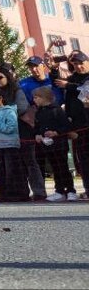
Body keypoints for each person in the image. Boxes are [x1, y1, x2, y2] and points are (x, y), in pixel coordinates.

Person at [0, 68, 47, 200]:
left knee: (30, 162)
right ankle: (19, 192)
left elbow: (22, 107)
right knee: (15, 163)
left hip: (23, 131)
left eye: (0, 77)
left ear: (7, 77)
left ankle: (39, 191)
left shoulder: (17, 91)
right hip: (6, 133)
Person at [32, 86, 75, 201]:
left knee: (63, 167)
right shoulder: (39, 112)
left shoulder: (57, 110)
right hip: (47, 145)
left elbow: (66, 125)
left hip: (60, 144)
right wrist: (38, 134)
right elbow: (37, 127)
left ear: (44, 98)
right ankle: (59, 190)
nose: (34, 100)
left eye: (36, 97)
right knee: (54, 168)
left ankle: (70, 190)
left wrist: (56, 132)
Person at [0, 89, 27, 201]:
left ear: (1, 98)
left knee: (12, 170)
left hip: (10, 145)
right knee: (0, 171)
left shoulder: (10, 111)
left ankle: (16, 194)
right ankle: (3, 194)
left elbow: (11, 128)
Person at [59, 51, 89, 196]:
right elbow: (68, 102)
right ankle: (88, 189)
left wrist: (69, 85)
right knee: (83, 159)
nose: (78, 66)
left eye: (81, 63)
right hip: (79, 126)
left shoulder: (71, 82)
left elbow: (84, 89)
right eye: (75, 64)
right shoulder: (72, 78)